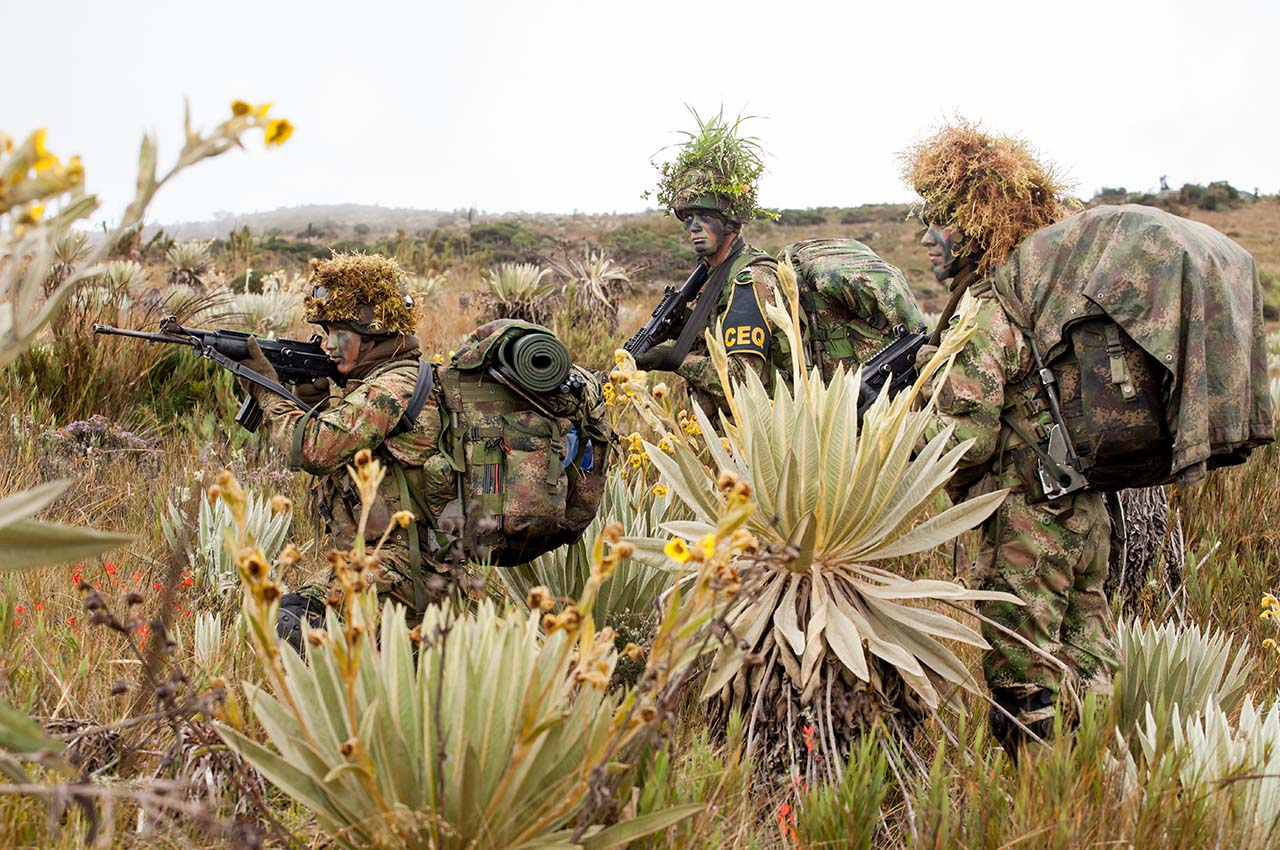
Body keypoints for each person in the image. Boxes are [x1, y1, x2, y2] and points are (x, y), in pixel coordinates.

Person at [903, 121, 1118, 759]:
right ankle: (1100, 802)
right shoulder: (1049, 302)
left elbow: (963, 439)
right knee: (1089, 674)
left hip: (1026, 527)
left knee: (1025, 692)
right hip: (1084, 515)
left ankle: (1040, 814)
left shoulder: (993, 309)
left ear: (977, 225)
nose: (927, 237)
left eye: (941, 220)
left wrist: (902, 445)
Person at [236, 253, 450, 647]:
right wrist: (313, 401)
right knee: (281, 613)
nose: (325, 344)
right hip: (383, 564)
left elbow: (315, 449)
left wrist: (267, 390)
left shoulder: (394, 387)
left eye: (338, 333)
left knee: (288, 629)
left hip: (413, 570)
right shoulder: (376, 383)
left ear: (371, 335)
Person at [635, 112, 792, 418]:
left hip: (756, 437)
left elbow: (743, 379)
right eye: (687, 220)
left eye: (704, 218)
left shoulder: (750, 279)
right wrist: (688, 328)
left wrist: (674, 358)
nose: (693, 227)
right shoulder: (714, 276)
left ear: (731, 223)